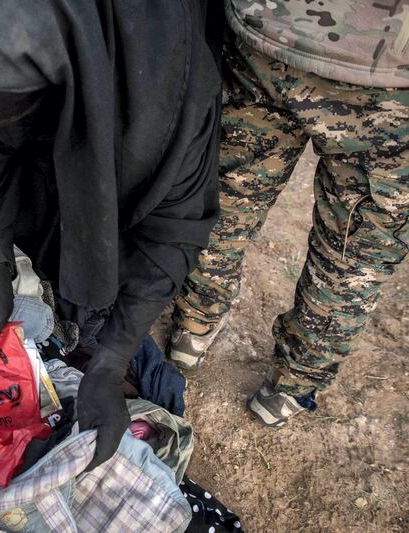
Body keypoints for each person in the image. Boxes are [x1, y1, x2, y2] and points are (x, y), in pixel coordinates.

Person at [0, 0, 223, 468]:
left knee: (111, 227)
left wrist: (112, 360)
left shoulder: (159, 78)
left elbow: (173, 229)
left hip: (121, 97)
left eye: (13, 110)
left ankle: (93, 313)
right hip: (64, 80)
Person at [169, 1, 409, 428]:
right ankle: (290, 387)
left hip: (271, 33)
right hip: (392, 81)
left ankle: (193, 325)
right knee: (355, 254)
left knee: (230, 197)